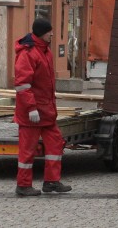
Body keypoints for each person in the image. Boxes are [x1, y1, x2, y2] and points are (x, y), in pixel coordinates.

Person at [14, 18, 72, 196]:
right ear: (41, 33)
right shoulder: (28, 53)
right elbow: (22, 84)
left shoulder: (45, 51)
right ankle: (23, 186)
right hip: (32, 113)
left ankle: (52, 182)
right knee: (27, 151)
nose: (52, 34)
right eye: (49, 32)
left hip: (45, 112)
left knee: (55, 144)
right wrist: (31, 108)